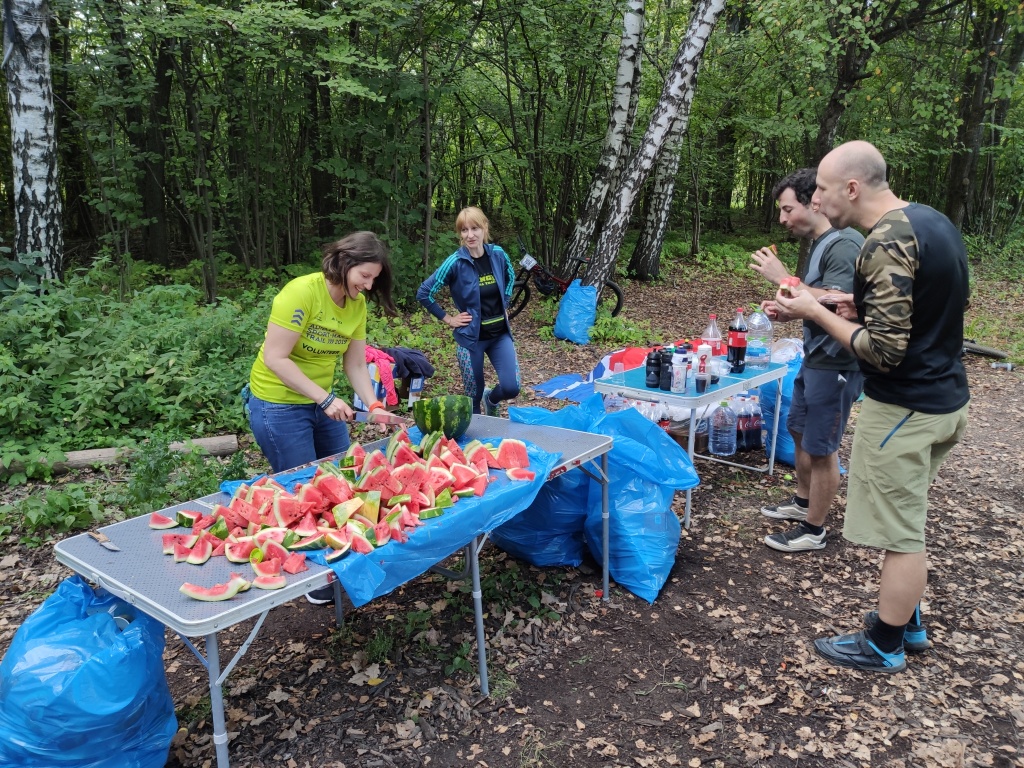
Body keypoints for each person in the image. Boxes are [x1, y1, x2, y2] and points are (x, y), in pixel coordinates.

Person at [775, 141, 970, 673]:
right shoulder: (930, 222)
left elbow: (882, 350)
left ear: (852, 188)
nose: (815, 196)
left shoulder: (883, 241)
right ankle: (905, 618)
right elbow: (919, 308)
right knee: (906, 517)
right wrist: (844, 303)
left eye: (821, 187)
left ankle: (885, 642)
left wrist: (816, 309)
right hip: (946, 400)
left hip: (905, 408)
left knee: (901, 534)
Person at [749, 168, 865, 553]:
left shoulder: (846, 243)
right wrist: (789, 311)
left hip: (837, 363)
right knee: (798, 428)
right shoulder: (823, 242)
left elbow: (843, 303)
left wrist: (785, 279)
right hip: (814, 357)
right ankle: (802, 502)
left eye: (787, 209)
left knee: (821, 445)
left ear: (813, 201)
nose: (783, 219)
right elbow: (817, 302)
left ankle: (814, 530)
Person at [246, 231, 396, 474]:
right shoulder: (302, 293)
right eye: (364, 276)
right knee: (302, 484)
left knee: (342, 476)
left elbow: (356, 365)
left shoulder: (357, 305)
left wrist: (374, 405)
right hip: (279, 405)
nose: (368, 285)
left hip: (323, 402)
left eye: (374, 279)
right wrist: (325, 399)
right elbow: (275, 358)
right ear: (344, 263)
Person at [416, 207, 521, 416]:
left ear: (485, 228)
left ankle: (491, 399)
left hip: (500, 335)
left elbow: (510, 277)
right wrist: (448, 318)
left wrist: (505, 304)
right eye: (464, 230)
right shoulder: (455, 262)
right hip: (471, 340)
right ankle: (478, 438)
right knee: (473, 395)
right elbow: (424, 292)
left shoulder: (498, 254)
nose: (470, 235)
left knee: (512, 387)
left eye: (475, 228)